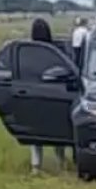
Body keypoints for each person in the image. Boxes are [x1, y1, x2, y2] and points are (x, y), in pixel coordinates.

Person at [28, 18, 67, 173]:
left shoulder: (29, 51)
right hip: (53, 94)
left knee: (35, 133)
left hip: (34, 94)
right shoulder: (53, 51)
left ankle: (36, 165)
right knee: (56, 131)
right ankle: (61, 162)